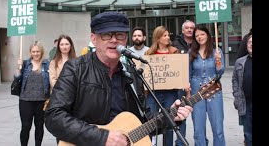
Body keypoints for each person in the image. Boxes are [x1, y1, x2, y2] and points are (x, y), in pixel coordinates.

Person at [44, 11, 193, 146]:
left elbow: (140, 123)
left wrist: (170, 116)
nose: (114, 40)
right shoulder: (75, 68)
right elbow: (54, 117)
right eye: (106, 35)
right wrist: (101, 137)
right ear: (94, 39)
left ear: (125, 39)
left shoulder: (131, 74)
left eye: (120, 35)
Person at [144, 25, 185, 146]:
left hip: (170, 93)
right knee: (151, 123)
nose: (168, 38)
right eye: (165, 35)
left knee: (169, 123)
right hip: (153, 93)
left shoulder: (174, 51)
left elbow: (179, 70)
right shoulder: (148, 53)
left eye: (168, 35)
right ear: (158, 38)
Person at [188, 24, 225, 146]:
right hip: (196, 92)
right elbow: (187, 75)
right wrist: (187, 93)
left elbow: (220, 72)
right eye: (197, 35)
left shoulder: (216, 51)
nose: (199, 37)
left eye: (202, 34)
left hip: (214, 91)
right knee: (198, 129)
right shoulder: (191, 53)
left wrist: (218, 60)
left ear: (208, 35)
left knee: (218, 127)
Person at [14, 41, 50, 146]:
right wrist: (18, 68)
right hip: (25, 100)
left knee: (39, 126)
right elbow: (16, 78)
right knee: (25, 127)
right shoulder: (25, 64)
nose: (35, 53)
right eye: (33, 51)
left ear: (41, 51)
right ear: (30, 52)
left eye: (37, 51)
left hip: (41, 101)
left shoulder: (47, 63)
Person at [47, 34, 77, 143]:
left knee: (74, 126)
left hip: (75, 99)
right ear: (58, 46)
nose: (64, 47)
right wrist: (64, 91)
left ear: (71, 45)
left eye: (66, 44)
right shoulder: (53, 63)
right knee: (60, 125)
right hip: (59, 99)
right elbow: (53, 81)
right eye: (62, 44)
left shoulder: (77, 61)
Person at [172, 20, 195, 146]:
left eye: (192, 28)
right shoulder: (175, 44)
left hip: (196, 84)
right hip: (180, 86)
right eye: (187, 28)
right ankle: (180, 143)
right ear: (182, 30)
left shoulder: (198, 42)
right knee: (182, 115)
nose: (190, 30)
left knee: (198, 117)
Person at [232, 34, 252, 146]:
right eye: (250, 42)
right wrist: (236, 95)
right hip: (246, 103)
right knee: (248, 134)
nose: (252, 44)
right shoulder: (240, 62)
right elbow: (235, 80)